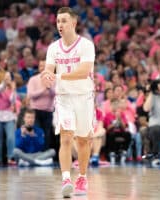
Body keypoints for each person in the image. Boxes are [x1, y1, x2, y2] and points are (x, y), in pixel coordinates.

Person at [41, 7, 95, 198]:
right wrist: (46, 76)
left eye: (64, 21)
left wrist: (57, 76)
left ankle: (82, 176)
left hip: (84, 96)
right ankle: (66, 179)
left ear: (74, 23)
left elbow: (83, 72)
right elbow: (48, 70)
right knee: (65, 137)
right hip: (64, 98)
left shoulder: (86, 45)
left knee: (83, 140)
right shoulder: (53, 48)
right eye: (58, 21)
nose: (60, 25)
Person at [27, 60, 55, 150]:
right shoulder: (33, 79)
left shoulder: (54, 79)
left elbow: (57, 93)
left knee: (47, 134)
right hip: (36, 110)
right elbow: (31, 95)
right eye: (41, 66)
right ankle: (36, 153)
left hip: (48, 111)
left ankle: (45, 154)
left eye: (45, 66)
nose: (43, 68)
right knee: (37, 132)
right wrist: (43, 90)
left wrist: (50, 89)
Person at [0, 72, 17, 165]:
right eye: (6, 77)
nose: (8, 79)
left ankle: (11, 157)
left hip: (8, 115)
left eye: (9, 77)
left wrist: (13, 89)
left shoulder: (11, 89)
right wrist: (4, 83)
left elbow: (13, 101)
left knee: (11, 138)